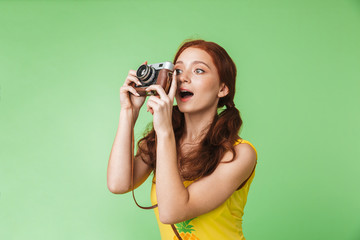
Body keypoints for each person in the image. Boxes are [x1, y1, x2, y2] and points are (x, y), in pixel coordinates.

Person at [107, 39, 258, 240]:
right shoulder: (160, 141)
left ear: (222, 88)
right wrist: (128, 112)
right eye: (177, 71)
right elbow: (119, 184)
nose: (183, 78)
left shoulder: (239, 153)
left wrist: (165, 131)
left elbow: (172, 212)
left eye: (199, 71)